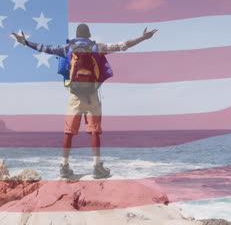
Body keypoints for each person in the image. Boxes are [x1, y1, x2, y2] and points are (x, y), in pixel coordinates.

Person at [13, 24, 158, 179]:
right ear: (89, 36)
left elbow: (44, 48)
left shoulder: (66, 48)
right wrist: (143, 37)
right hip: (92, 96)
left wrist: (25, 42)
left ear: (76, 36)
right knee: (94, 131)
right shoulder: (97, 48)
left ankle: (64, 166)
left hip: (75, 97)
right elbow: (122, 45)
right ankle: (96, 167)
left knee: (69, 133)